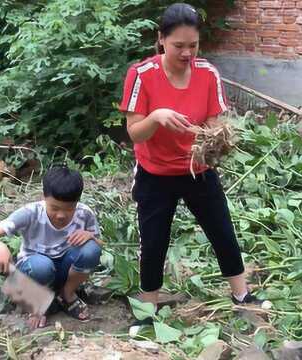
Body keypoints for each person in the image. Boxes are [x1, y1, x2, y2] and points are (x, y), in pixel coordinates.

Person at [119, 2, 262, 324]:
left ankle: (242, 294)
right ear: (161, 39)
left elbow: (214, 119)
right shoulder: (142, 75)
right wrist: (156, 116)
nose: (187, 53)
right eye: (178, 46)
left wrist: (213, 137)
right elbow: (135, 133)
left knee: (222, 231)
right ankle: (148, 309)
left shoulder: (207, 73)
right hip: (155, 173)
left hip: (198, 169)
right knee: (154, 239)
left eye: (193, 46)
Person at [0, 166, 102, 328]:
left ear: (77, 202)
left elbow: (98, 245)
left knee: (91, 249)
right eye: (54, 208)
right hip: (35, 271)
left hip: (65, 270)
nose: (61, 215)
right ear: (44, 197)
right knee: (41, 266)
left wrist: (90, 236)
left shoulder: (85, 213)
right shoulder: (30, 213)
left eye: (69, 209)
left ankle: (67, 293)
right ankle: (36, 303)